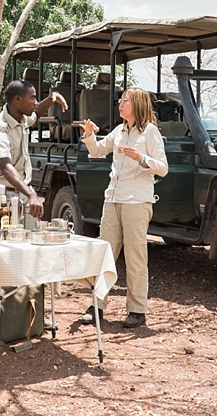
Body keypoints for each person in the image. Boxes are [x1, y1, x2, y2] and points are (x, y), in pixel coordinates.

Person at [79, 87, 168, 329]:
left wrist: (141, 158)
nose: (120, 103)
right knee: (104, 254)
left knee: (135, 257)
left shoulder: (150, 132)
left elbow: (163, 168)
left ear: (137, 104)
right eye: (121, 100)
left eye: (125, 100)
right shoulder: (118, 131)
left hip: (137, 201)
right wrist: (89, 134)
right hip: (113, 199)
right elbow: (97, 151)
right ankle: (97, 306)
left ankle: (137, 310)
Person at [0, 80, 67, 219]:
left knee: (31, 231)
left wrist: (51, 98)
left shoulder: (22, 119)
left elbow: (37, 113)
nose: (36, 102)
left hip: (23, 193)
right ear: (17, 99)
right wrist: (31, 194)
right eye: (32, 98)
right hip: (2, 197)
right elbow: (6, 167)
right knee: (5, 233)